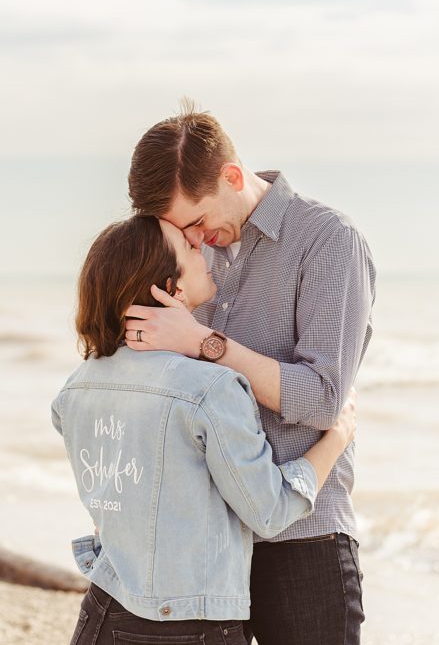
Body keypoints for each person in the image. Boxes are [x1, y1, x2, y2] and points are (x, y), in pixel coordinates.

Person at [124, 101, 376, 645]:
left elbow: (323, 400)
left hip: (303, 541)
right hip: (206, 545)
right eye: (181, 231)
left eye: (197, 222)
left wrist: (205, 344)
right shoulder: (191, 253)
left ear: (232, 177)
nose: (194, 239)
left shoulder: (328, 240)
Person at [52, 215, 357, 645]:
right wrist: (337, 437)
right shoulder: (210, 389)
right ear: (171, 288)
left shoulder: (76, 387)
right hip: (189, 627)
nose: (204, 249)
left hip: (105, 610)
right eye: (191, 248)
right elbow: (269, 512)